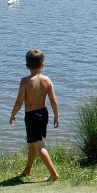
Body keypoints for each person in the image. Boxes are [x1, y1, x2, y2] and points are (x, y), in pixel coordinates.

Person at [9, 49, 60, 182]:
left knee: (39, 145)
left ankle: (54, 174)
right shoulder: (47, 80)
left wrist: (13, 114)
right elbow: (54, 100)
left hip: (32, 116)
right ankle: (28, 170)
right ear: (42, 65)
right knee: (32, 143)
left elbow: (19, 101)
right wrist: (56, 116)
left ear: (27, 66)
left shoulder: (25, 81)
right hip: (44, 114)